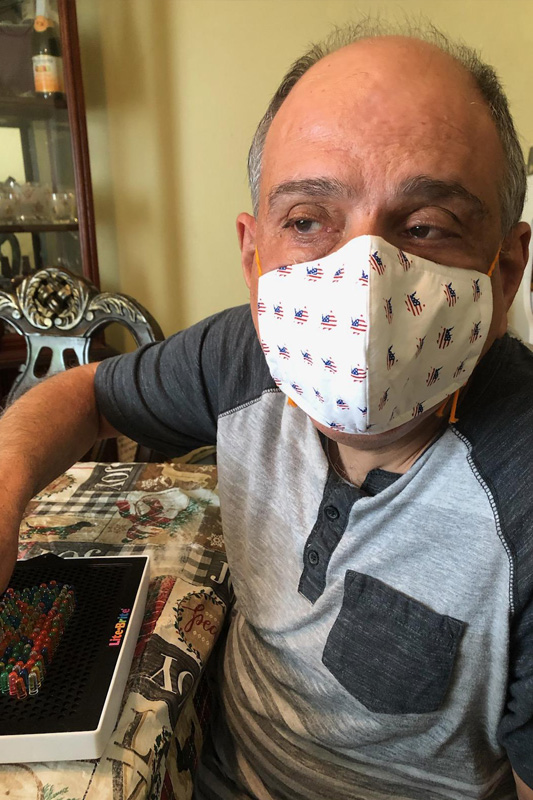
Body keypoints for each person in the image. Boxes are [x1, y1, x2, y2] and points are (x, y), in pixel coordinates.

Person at [0, 19, 532, 800]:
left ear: (505, 270)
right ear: (253, 257)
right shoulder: (239, 356)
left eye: (426, 227)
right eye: (308, 220)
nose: (363, 282)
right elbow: (83, 394)